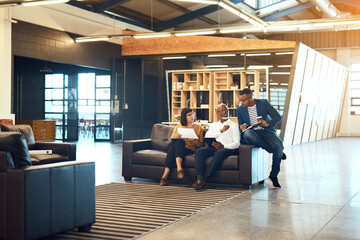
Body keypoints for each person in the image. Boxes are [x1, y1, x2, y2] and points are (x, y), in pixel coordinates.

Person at [237, 88, 286, 188]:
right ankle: (271, 149)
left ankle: (274, 175)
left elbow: (278, 117)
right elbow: (241, 125)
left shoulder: (263, 103)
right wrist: (242, 127)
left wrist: (268, 123)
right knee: (247, 134)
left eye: (243, 100)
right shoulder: (240, 110)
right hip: (252, 133)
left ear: (250, 99)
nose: (241, 102)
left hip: (266, 131)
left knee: (279, 145)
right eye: (240, 100)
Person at [193, 104, 240, 191]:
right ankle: (199, 178)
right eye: (222, 110)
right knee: (200, 151)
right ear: (217, 113)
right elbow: (207, 136)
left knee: (220, 152)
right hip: (214, 147)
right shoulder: (214, 125)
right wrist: (221, 131)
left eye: (226, 110)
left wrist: (223, 146)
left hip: (228, 148)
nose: (225, 112)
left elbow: (237, 143)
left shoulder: (234, 125)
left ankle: (205, 179)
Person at [160, 107, 204, 186]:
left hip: (189, 149)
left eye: (193, 114)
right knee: (177, 143)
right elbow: (170, 141)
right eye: (189, 115)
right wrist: (174, 136)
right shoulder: (178, 126)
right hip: (178, 147)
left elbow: (201, 145)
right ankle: (179, 169)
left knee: (173, 150)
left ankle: (164, 177)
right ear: (184, 117)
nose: (192, 116)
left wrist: (195, 140)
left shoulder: (199, 128)